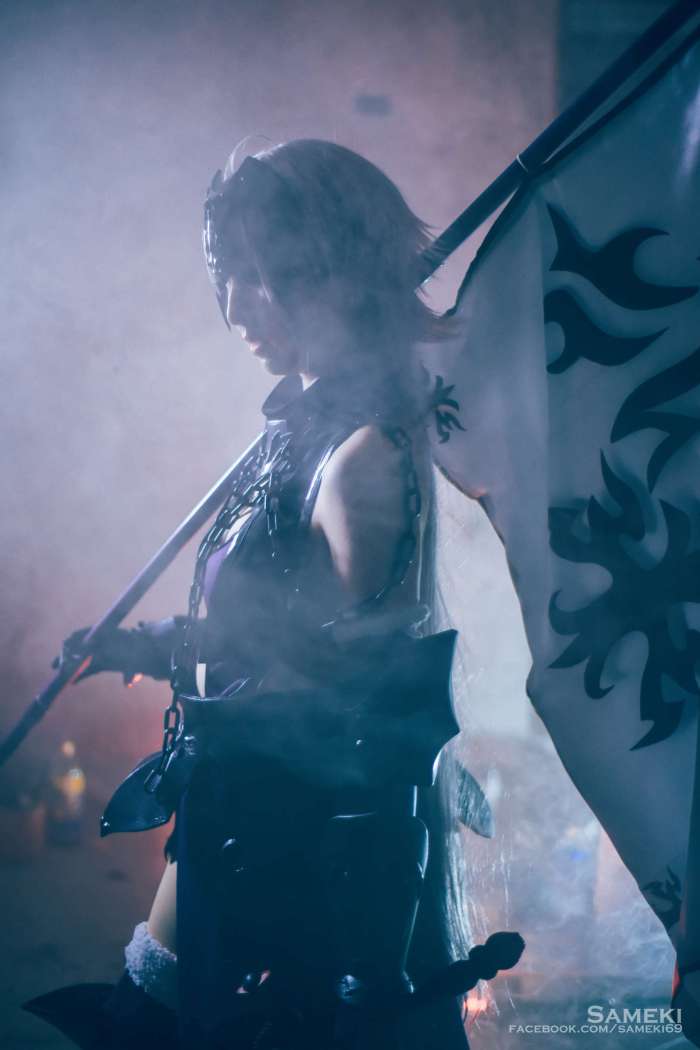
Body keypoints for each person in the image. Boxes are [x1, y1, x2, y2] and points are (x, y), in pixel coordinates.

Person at [26, 139, 520, 1050]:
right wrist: (144, 645)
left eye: (256, 277)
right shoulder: (307, 436)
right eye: (227, 279)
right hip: (234, 830)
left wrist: (361, 974)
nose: (234, 309)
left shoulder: (362, 458)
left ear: (329, 271)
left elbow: (357, 701)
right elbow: (280, 631)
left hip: (290, 877)